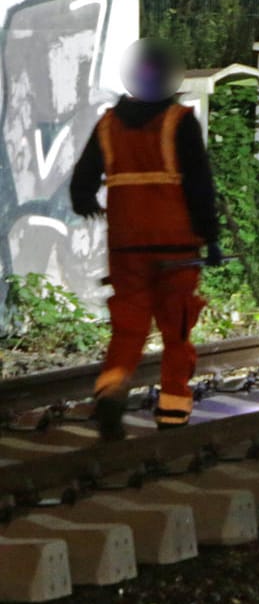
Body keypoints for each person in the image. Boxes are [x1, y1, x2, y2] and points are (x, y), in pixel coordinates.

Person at [68, 40, 220, 439]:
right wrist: (211, 236)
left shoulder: (108, 124)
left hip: (126, 247)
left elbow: (81, 184)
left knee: (128, 329)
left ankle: (110, 390)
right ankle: (172, 414)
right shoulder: (178, 120)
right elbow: (199, 185)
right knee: (177, 332)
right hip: (176, 248)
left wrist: (90, 205)